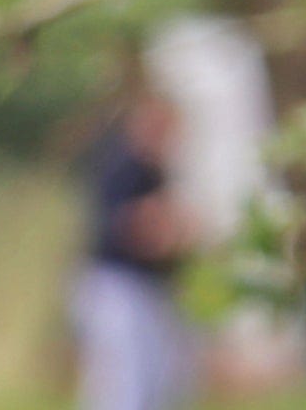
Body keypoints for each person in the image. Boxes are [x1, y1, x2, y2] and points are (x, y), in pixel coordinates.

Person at [73, 86, 201, 410]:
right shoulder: (124, 165)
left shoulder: (151, 169)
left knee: (157, 378)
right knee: (122, 385)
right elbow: (131, 227)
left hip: (143, 287)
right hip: (115, 285)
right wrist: (173, 230)